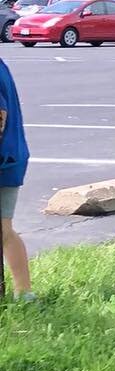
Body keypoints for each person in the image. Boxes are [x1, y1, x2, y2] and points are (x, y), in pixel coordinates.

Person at [0, 47, 34, 300]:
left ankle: (24, 293)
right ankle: (23, 292)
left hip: (6, 163)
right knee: (5, 230)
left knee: (3, 229)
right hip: (10, 158)